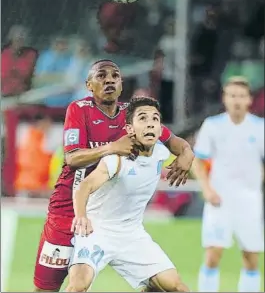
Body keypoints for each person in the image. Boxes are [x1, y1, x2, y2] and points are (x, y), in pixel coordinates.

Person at [33, 59, 194, 292]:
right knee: (47, 288)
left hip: (112, 219)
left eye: (115, 76)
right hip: (68, 210)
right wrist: (110, 147)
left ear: (121, 85)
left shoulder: (134, 117)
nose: (109, 79)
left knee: (163, 285)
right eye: (101, 75)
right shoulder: (79, 110)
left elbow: (172, 141)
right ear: (89, 85)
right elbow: (72, 158)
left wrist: (187, 153)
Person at [66, 96, 190, 292]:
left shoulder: (162, 154)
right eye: (143, 118)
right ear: (130, 129)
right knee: (78, 286)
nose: (150, 124)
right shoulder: (117, 159)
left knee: (177, 287)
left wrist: (187, 154)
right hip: (98, 230)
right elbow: (85, 186)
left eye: (155, 119)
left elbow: (181, 146)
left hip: (132, 234)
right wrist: (81, 216)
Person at [192, 77, 264, 292]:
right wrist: (207, 189)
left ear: (249, 100)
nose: (237, 100)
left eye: (241, 96)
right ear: (225, 98)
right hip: (219, 200)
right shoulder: (213, 125)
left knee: (251, 257)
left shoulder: (260, 127)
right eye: (232, 95)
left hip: (250, 201)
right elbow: (198, 160)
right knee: (213, 254)